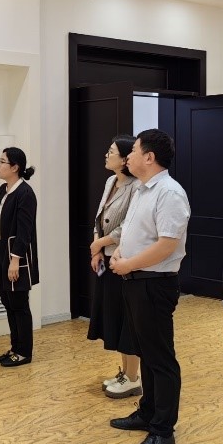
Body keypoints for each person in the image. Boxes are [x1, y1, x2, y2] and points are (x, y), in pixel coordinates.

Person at [109, 129, 190, 444]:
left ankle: (163, 431)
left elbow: (166, 245)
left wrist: (128, 263)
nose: (128, 156)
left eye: (134, 150)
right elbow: (134, 233)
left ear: (149, 157)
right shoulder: (143, 189)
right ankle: (148, 412)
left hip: (154, 284)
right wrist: (120, 254)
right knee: (147, 353)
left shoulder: (169, 193)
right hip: (135, 281)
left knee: (161, 358)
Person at [86, 135, 141, 399]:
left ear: (125, 159)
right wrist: (96, 247)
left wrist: (101, 243)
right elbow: (100, 217)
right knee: (115, 318)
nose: (107, 155)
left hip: (123, 259)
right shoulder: (111, 182)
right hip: (106, 256)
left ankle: (133, 377)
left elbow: (126, 227)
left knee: (127, 319)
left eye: (111, 152)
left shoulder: (136, 186)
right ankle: (124, 373)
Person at [0, 147, 39, 367]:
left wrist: (15, 260)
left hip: (15, 255)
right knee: (8, 303)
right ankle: (15, 348)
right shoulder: (4, 189)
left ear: (15, 167)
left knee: (19, 303)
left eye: (2, 162)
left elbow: (24, 231)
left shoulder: (25, 193)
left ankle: (24, 352)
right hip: (0, 251)